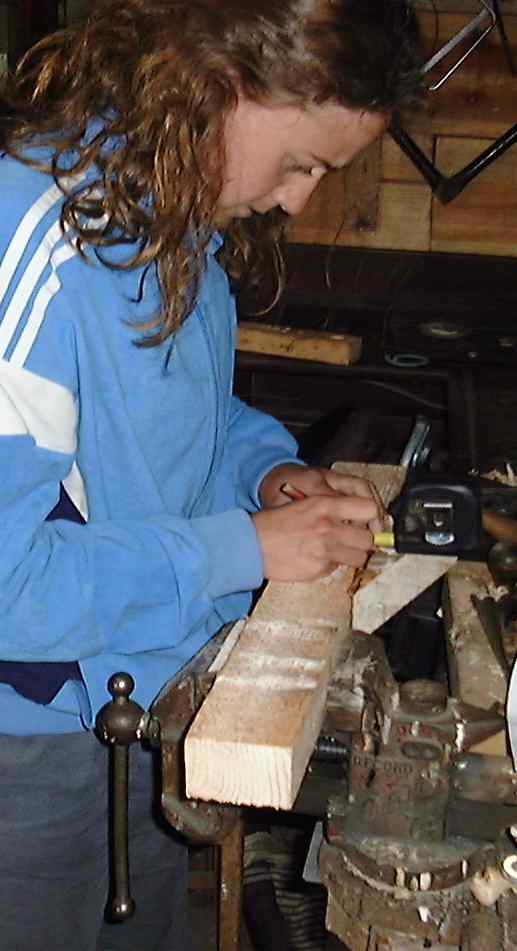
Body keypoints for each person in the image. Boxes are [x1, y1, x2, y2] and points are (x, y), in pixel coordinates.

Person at [0, 0, 422, 948]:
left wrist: (268, 477)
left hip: (141, 699)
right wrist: (242, 549)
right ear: (221, 84)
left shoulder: (169, 222)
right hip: (25, 751)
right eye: (302, 162)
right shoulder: (31, 242)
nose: (297, 201)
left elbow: (190, 417)